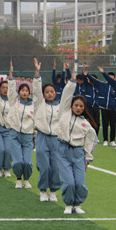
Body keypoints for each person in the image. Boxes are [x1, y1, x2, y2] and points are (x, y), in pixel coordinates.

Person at [56, 64, 98, 215]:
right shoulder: (64, 113)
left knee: (79, 183)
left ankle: (77, 204)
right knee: (68, 182)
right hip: (62, 151)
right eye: (76, 105)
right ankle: (68, 204)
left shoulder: (86, 124)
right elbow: (66, 96)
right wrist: (72, 81)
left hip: (78, 154)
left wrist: (87, 157)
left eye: (81, 106)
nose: (78, 108)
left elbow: (92, 141)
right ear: (71, 106)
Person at [33, 58, 62, 202]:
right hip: (42, 137)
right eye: (47, 92)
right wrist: (37, 73)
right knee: (45, 167)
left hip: (56, 139)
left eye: (52, 91)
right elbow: (37, 91)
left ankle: (53, 191)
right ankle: (43, 190)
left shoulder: (60, 107)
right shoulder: (39, 104)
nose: (49, 94)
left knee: (56, 167)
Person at [6, 61, 35, 189]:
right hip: (15, 133)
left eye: (26, 90)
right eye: (22, 90)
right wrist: (11, 75)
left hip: (28, 135)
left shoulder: (33, 105)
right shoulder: (14, 102)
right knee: (18, 161)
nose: (24, 92)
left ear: (29, 92)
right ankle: (18, 179)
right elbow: (11, 91)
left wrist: (34, 135)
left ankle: (26, 180)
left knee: (27, 162)